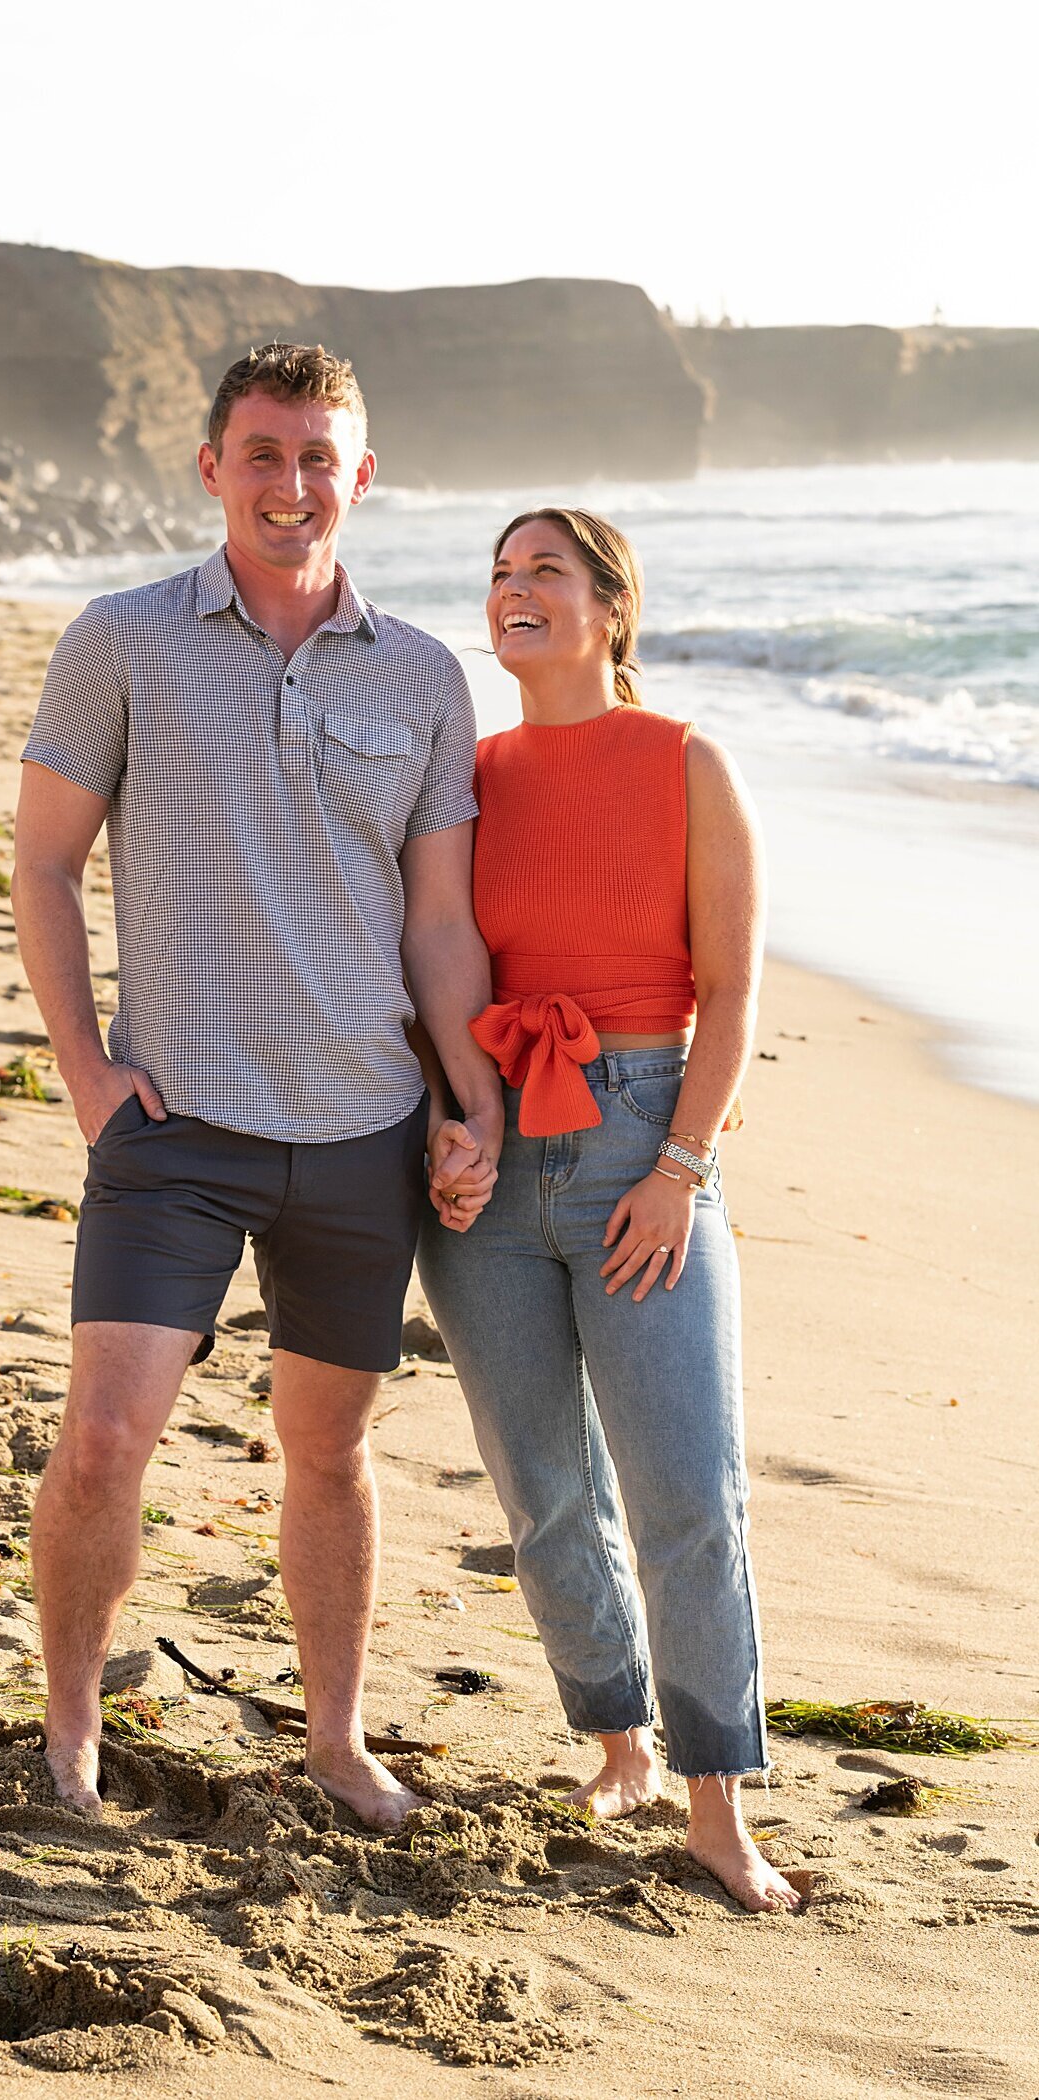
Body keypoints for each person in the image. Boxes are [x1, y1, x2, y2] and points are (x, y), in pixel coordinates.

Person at [11, 342, 502, 1830]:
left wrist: (468, 1101)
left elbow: (438, 921)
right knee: (104, 1439)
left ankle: (337, 1741)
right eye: (264, 454)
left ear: (362, 476)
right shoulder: (122, 639)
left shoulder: (422, 676)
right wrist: (90, 1072)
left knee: (331, 1451)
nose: (292, 486)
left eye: (319, 459)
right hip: (175, 1121)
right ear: (214, 466)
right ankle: (74, 1722)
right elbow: (44, 860)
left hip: (362, 1125)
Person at [417, 507, 803, 1912]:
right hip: (498, 1152)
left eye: (548, 574)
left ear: (610, 607)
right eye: (503, 574)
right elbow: (439, 963)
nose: (515, 593)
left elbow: (734, 991)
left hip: (645, 1139)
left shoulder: (688, 762)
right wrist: (457, 1124)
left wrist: (681, 1169)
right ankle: (619, 1744)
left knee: (687, 1495)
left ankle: (718, 1805)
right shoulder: (467, 776)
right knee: (542, 1492)